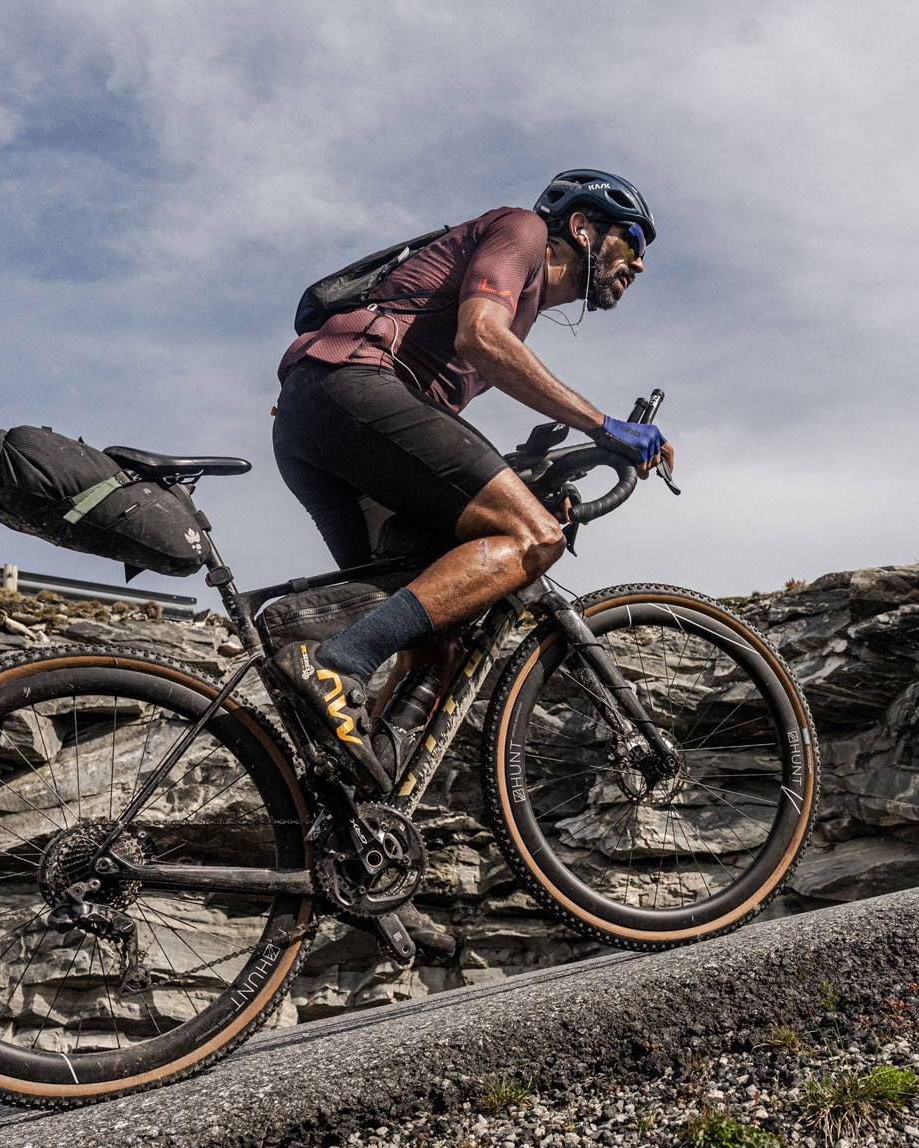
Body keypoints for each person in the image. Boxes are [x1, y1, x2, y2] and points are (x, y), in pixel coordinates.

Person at [271, 168, 671, 796]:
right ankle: (332, 666)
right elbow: (480, 336)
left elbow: (430, 447)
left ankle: (359, 811)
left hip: (325, 416)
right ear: (582, 227)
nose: (640, 265)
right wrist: (602, 425)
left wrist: (525, 472)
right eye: (633, 242)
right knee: (535, 537)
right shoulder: (523, 229)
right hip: (352, 384)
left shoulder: (527, 302)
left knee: (436, 630)